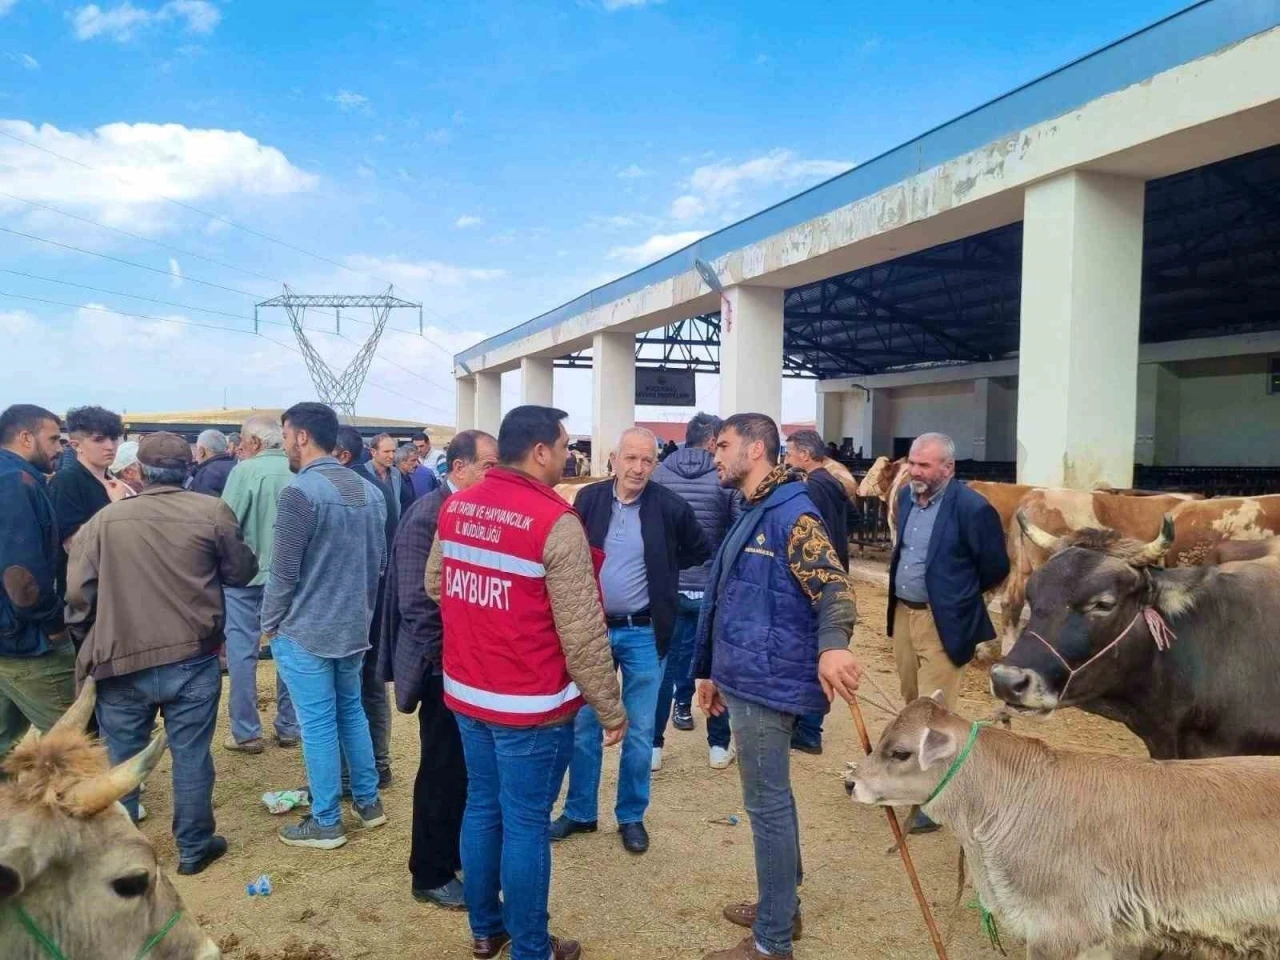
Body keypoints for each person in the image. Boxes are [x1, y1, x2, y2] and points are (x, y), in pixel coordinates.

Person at [426, 404, 626, 960]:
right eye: (564, 447)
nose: (568, 456)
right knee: (526, 824)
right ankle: (531, 948)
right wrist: (611, 709)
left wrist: (487, 624)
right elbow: (583, 634)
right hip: (529, 703)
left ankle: (487, 929)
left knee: (483, 807)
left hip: (467, 691)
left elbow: (437, 584)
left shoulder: (458, 506)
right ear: (539, 452)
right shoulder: (554, 522)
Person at [693, 413, 862, 960]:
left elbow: (834, 586)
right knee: (774, 799)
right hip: (745, 678)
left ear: (758, 448)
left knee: (765, 806)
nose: (715, 456)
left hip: (770, 685)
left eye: (723, 446)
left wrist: (833, 644)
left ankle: (770, 942)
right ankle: (781, 907)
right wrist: (713, 671)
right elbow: (730, 597)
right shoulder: (757, 507)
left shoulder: (794, 513)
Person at [66, 432, 258, 875]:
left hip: (121, 659)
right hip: (192, 656)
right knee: (191, 755)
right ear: (188, 467)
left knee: (122, 760)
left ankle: (122, 855)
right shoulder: (211, 511)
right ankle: (193, 849)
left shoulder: (105, 521)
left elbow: (79, 595)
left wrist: (86, 635)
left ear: (139, 471)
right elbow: (241, 570)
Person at [552, 427, 708, 855]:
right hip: (594, 631)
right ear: (614, 460)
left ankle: (631, 816)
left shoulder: (671, 507)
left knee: (639, 731)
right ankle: (581, 811)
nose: (638, 468)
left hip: (644, 632)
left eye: (646, 460)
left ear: (655, 464)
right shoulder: (590, 500)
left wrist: (663, 570)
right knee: (584, 725)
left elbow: (698, 549)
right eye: (631, 459)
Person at [261, 403, 389, 850]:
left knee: (317, 725)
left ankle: (327, 820)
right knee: (351, 711)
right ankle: (369, 803)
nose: (283, 445)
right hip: (353, 625)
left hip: (308, 630)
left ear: (299, 436)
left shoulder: (301, 493)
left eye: (284, 435)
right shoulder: (370, 491)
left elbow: (284, 570)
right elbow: (381, 563)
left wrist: (269, 623)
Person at [380, 429, 497, 910]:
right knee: (442, 769)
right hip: (442, 669)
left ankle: (455, 854)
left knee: (465, 771)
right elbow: (416, 603)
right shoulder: (429, 514)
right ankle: (429, 872)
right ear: (460, 469)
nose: (496, 475)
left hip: (465, 668)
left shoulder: (470, 513)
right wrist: (452, 662)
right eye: (489, 466)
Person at [888, 431, 1008, 834]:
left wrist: (958, 598)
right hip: (905, 615)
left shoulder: (973, 509)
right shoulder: (906, 498)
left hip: (944, 622)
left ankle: (936, 798)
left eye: (924, 465)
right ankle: (913, 781)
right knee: (910, 704)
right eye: (911, 462)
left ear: (948, 467)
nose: (914, 471)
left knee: (935, 715)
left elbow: (995, 567)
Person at [650, 412, 738, 770]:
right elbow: (734, 532)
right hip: (710, 587)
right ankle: (718, 746)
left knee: (663, 669)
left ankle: (653, 748)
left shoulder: (658, 474)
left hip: (669, 588)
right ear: (713, 439)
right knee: (715, 668)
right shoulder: (723, 479)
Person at [219, 413, 300, 754]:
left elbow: (225, 523)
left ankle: (246, 731)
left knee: (241, 651)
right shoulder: (299, 472)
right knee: (289, 651)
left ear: (253, 442)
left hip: (245, 576)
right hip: (291, 577)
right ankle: (289, 725)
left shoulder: (245, 471)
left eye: (241, 439)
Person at [0, 404, 76, 761]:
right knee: (71, 745)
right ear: (25, 437)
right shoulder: (15, 483)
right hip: (28, 643)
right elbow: (21, 579)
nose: (61, 447)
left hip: (10, 637)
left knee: (5, 746)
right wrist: (54, 623)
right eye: (53, 439)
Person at [782, 429, 854, 754]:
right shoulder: (833, 483)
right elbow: (851, 519)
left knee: (814, 652)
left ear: (806, 455)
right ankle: (807, 724)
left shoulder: (813, 488)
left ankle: (810, 729)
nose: (786, 457)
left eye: (790, 452)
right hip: (835, 571)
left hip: (817, 577)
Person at [344, 428, 396, 790]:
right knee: (371, 687)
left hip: (353, 605)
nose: (391, 456)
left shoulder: (329, 490)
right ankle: (378, 763)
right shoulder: (373, 487)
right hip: (376, 596)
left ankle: (359, 774)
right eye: (387, 450)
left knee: (351, 693)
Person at [47, 405, 128, 601]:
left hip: (114, 589)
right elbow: (73, 545)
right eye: (99, 439)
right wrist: (117, 508)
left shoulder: (112, 481)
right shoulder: (67, 481)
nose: (110, 446)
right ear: (76, 445)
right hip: (85, 596)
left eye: (114, 438)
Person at [188, 429, 237, 497]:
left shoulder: (206, 474)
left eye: (196, 448)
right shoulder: (238, 466)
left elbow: (204, 505)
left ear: (202, 451)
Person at [394, 443, 420, 513]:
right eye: (413, 460)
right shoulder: (394, 481)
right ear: (402, 462)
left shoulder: (407, 478)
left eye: (417, 460)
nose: (417, 464)